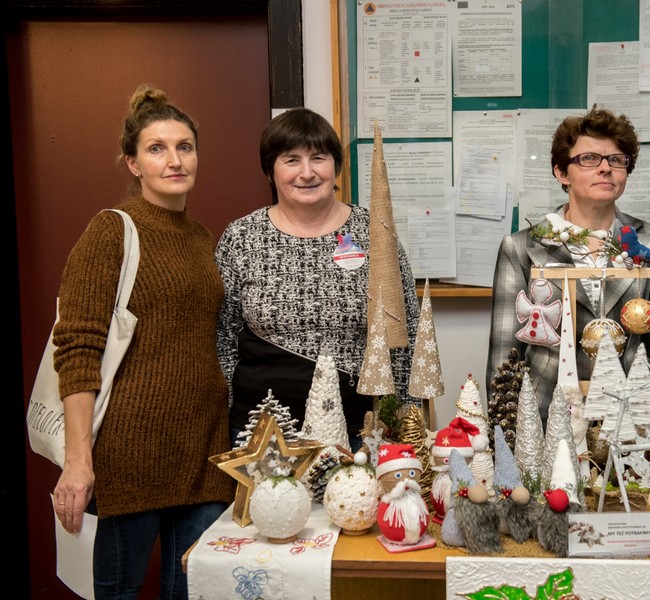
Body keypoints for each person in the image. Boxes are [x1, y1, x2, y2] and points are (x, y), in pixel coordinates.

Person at [51, 85, 234, 599]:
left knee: (194, 591)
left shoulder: (200, 238)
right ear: (133, 164)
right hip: (129, 456)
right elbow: (78, 348)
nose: (174, 160)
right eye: (157, 149)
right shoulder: (112, 231)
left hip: (204, 452)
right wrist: (78, 461)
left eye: (184, 147)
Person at [216, 108, 419, 448]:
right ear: (270, 170)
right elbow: (223, 340)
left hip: (358, 434)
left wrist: (404, 425)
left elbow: (406, 330)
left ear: (336, 166)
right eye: (291, 160)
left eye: (318, 158)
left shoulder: (373, 233)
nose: (307, 172)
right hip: (262, 436)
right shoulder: (242, 238)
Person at [486, 106, 650, 420]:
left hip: (627, 416)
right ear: (562, 173)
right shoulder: (520, 247)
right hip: (547, 415)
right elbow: (504, 359)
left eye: (616, 159)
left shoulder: (649, 239)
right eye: (589, 158)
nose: (605, 168)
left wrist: (649, 414)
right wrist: (506, 431)